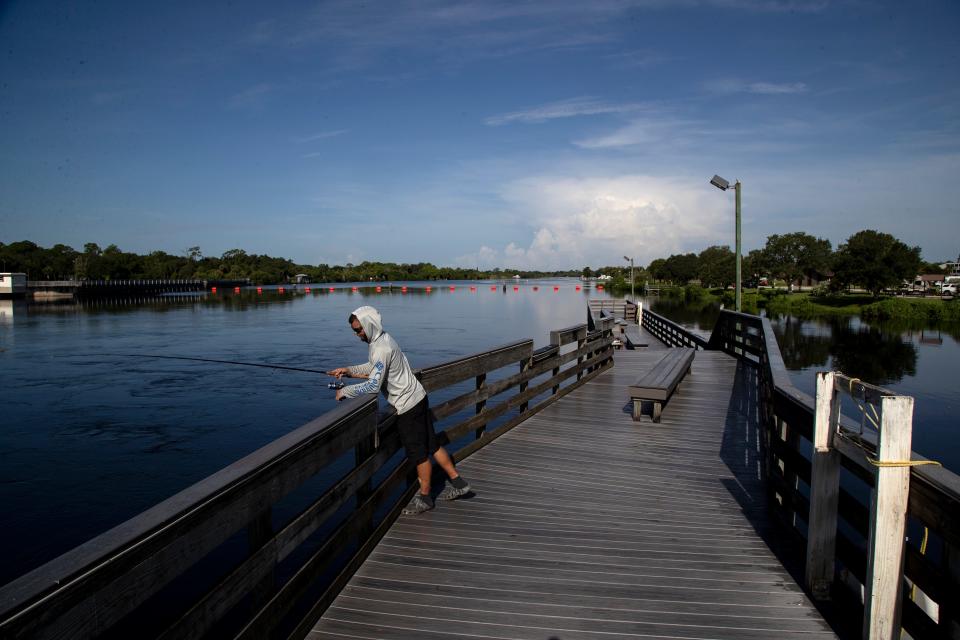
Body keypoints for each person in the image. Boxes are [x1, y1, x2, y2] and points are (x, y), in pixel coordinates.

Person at [327, 305, 472, 515]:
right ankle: (459, 483)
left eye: (358, 330)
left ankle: (425, 498)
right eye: (354, 331)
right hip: (419, 398)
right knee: (432, 444)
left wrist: (345, 392)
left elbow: (373, 385)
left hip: (408, 407)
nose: (357, 334)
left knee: (419, 454)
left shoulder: (381, 348)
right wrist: (348, 370)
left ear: (369, 325)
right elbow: (374, 368)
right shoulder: (382, 339)